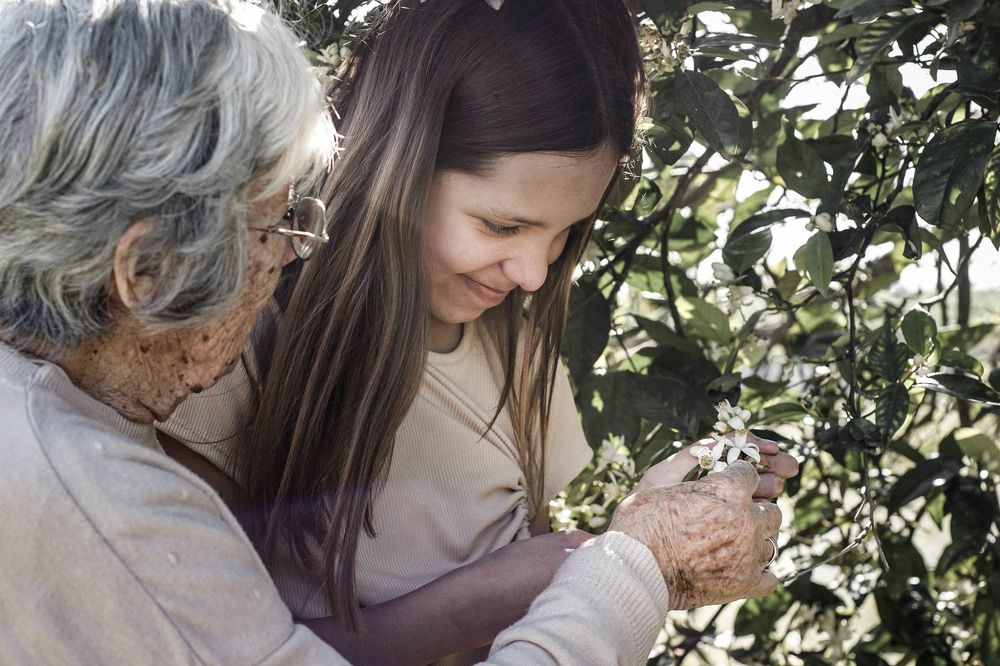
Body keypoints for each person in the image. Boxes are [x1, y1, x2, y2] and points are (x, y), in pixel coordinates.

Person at [158, 1, 799, 663]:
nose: (530, 275)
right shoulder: (225, 353)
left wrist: (640, 537)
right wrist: (497, 592)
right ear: (398, 169)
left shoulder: (518, 356)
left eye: (565, 234)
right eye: (502, 226)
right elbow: (203, 647)